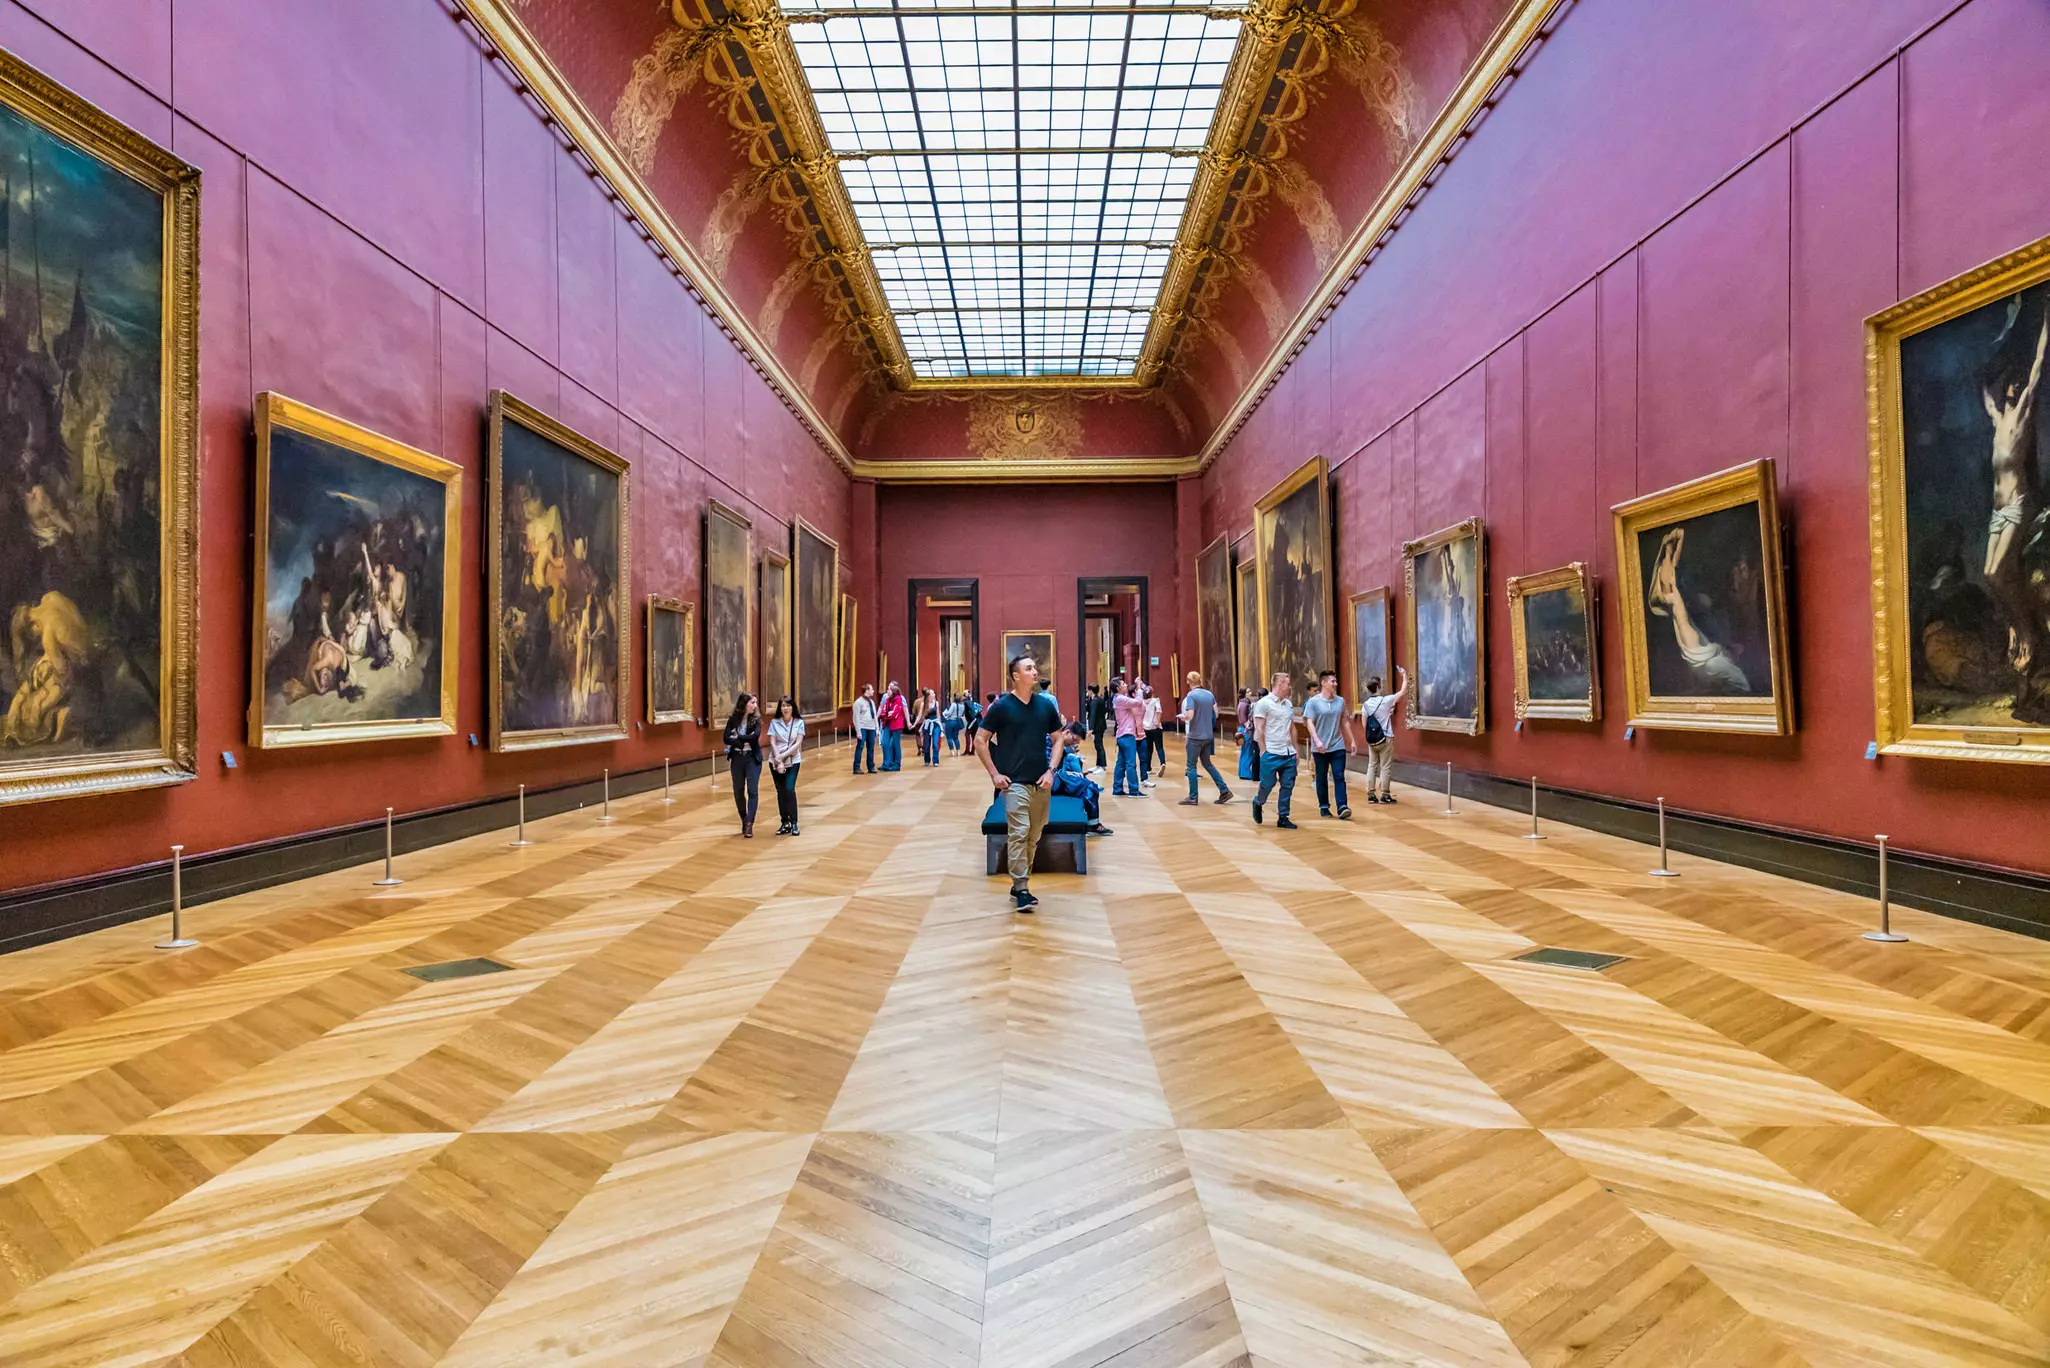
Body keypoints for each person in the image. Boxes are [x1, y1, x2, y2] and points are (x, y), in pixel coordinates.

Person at [978, 654, 1067, 912]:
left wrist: (1052, 769)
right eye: (1029, 668)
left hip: (1041, 781)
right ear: (1016, 676)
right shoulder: (1002, 707)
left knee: (1034, 835)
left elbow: (1058, 738)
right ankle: (1022, 887)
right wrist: (995, 774)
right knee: (1019, 833)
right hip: (1014, 783)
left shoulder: (1045, 705)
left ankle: (1018, 884)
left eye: (1035, 667)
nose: (1034, 671)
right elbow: (980, 740)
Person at [1304, 668, 1360, 819]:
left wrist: (1352, 740)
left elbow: (1344, 721)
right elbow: (1310, 722)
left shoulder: (1340, 701)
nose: (1336, 683)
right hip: (1320, 747)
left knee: (1339, 775)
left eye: (1335, 681)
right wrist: (1317, 740)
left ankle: (1342, 806)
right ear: (1324, 683)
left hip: (1337, 745)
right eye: (1332, 681)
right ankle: (1324, 807)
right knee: (1321, 777)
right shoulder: (1313, 702)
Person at [1176, 669, 1232, 806]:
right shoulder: (1209, 694)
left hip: (1195, 736)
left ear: (1189, 682)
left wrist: (1182, 717)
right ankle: (1224, 790)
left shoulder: (1191, 696)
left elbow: (1190, 715)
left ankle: (1193, 796)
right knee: (1207, 763)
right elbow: (1216, 713)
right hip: (1208, 736)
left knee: (1191, 766)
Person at [1250, 672, 1298, 829]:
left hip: (1288, 752)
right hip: (1271, 752)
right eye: (1288, 684)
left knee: (1288, 785)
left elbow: (1291, 727)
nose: (1290, 687)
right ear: (1279, 684)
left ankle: (1283, 817)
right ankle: (1259, 801)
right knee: (1268, 783)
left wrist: (1296, 749)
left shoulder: (1288, 704)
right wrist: (1263, 750)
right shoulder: (1264, 704)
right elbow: (1259, 729)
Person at [1052, 721, 1114, 835]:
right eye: (1074, 740)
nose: (1073, 743)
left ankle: (1093, 824)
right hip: (1051, 779)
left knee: (1091, 786)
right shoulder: (1053, 742)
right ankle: (1093, 826)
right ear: (1067, 732)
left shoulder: (1061, 746)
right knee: (1090, 787)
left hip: (1055, 777)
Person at [1360, 666, 1407, 803]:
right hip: (1386, 738)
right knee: (1385, 766)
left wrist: (1370, 737)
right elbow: (1403, 691)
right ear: (1379, 687)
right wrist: (1404, 675)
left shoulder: (1366, 705)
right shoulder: (1386, 700)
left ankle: (1370, 794)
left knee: (1372, 765)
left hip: (1372, 740)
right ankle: (1385, 795)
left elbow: (1364, 724)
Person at [722, 691, 762, 838]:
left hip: (752, 758)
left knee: (752, 791)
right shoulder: (733, 719)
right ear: (744, 704)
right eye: (752, 702)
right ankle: (744, 819)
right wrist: (741, 739)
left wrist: (737, 737)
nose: (755, 705)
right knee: (738, 791)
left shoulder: (756, 720)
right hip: (737, 758)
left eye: (755, 703)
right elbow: (726, 737)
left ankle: (750, 823)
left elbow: (754, 737)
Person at [767, 695, 805, 835]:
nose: (785, 708)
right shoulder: (774, 722)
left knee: (789, 789)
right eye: (783, 706)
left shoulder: (799, 722)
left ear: (792, 707)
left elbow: (798, 744)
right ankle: (785, 822)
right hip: (775, 760)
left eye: (788, 705)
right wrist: (778, 759)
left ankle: (794, 822)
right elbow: (772, 742)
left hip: (792, 760)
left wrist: (782, 757)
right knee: (781, 792)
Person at [1110, 678, 1144, 797]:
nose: (1126, 685)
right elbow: (1139, 702)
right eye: (1123, 684)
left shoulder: (1117, 699)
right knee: (1130, 764)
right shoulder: (1120, 699)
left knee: (1121, 763)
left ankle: (1117, 788)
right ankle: (1134, 790)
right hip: (1127, 734)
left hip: (1122, 735)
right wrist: (1139, 688)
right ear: (1118, 688)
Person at [878, 681, 908, 770]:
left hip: (896, 725)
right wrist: (887, 714)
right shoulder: (887, 700)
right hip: (887, 724)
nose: (887, 691)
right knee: (884, 743)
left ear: (893, 691)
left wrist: (888, 714)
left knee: (895, 744)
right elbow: (883, 711)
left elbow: (895, 713)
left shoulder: (899, 699)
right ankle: (886, 763)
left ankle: (896, 764)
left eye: (889, 689)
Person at [1139, 682, 1164, 788]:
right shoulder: (1155, 701)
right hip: (1155, 727)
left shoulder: (1141, 702)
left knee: (1148, 749)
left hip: (1145, 728)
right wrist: (1157, 722)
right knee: (1159, 747)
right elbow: (1159, 711)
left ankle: (1148, 768)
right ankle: (1162, 762)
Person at [851, 682, 879, 774]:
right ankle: (856, 767)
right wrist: (858, 731)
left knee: (871, 748)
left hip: (871, 728)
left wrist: (877, 728)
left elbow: (874, 716)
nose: (873, 691)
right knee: (860, 747)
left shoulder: (871, 702)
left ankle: (871, 766)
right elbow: (856, 718)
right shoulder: (858, 703)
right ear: (867, 690)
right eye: (871, 689)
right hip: (862, 727)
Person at [1236, 687, 1259, 782]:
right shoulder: (1245, 704)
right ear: (1245, 693)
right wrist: (1248, 728)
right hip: (1246, 730)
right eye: (1248, 691)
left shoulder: (1241, 703)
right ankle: (1245, 773)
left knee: (1244, 751)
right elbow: (1243, 719)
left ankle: (1242, 772)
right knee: (1247, 752)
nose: (1250, 692)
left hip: (1242, 729)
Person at [1088, 683, 1111, 768]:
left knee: (1099, 745)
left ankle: (1102, 765)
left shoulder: (1094, 701)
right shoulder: (1099, 699)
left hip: (1097, 726)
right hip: (1101, 725)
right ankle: (1098, 765)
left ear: (1090, 691)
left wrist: (1091, 728)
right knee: (1098, 744)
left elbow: (1092, 715)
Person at [921, 689, 944, 766]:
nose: (934, 695)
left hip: (935, 724)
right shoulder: (924, 704)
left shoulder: (936, 703)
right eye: (932, 693)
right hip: (927, 725)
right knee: (926, 744)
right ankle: (927, 760)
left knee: (935, 743)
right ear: (928, 696)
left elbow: (938, 715)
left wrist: (941, 726)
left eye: (934, 693)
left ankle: (936, 761)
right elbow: (922, 716)